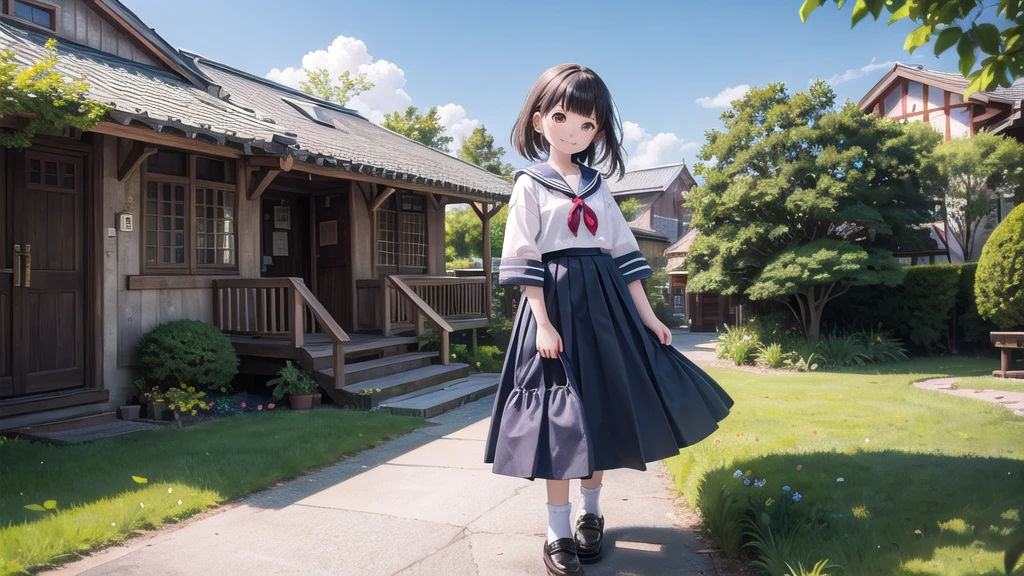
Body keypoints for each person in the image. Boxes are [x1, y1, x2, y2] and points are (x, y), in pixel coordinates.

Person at [483, 63, 735, 576]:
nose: (573, 130)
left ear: (597, 130)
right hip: (553, 307)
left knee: (598, 411)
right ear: (538, 121)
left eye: (587, 124)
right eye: (561, 117)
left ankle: (590, 516)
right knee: (560, 419)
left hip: (606, 309)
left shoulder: (600, 187)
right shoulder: (528, 185)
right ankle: (557, 531)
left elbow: (624, 256)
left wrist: (647, 317)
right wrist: (543, 322)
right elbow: (525, 256)